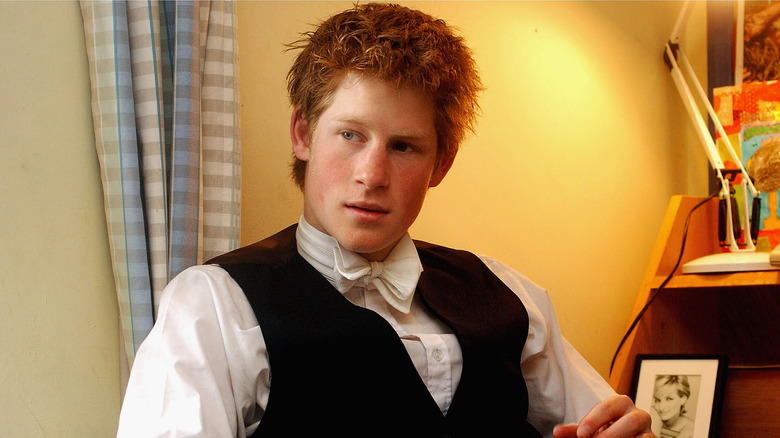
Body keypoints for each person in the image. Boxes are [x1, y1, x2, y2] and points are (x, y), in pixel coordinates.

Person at [116, 3, 653, 437]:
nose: (372, 175)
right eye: (350, 135)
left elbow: (608, 421)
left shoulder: (508, 293)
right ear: (303, 134)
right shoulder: (212, 305)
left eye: (404, 146)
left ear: (441, 163)